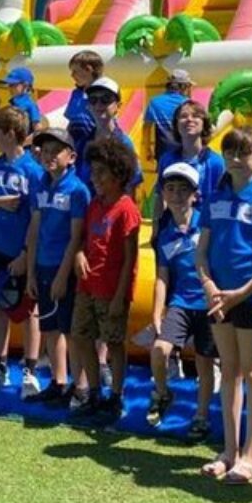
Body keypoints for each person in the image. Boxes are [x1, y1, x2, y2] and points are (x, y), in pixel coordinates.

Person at [196, 126, 252, 483]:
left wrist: (241, 293)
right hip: (220, 298)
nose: (235, 158)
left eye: (243, 152)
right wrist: (209, 286)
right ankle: (230, 451)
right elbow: (201, 252)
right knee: (229, 370)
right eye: (230, 151)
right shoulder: (214, 199)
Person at [0, 106, 43, 397]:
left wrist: (25, 253)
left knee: (28, 311)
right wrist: (0, 202)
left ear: (10, 134)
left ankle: (30, 370)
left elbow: (38, 217)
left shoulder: (33, 170)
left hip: (22, 250)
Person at [72, 137, 141, 420]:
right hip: (87, 286)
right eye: (93, 171)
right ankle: (94, 393)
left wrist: (120, 296)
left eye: (102, 172)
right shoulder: (95, 205)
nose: (95, 178)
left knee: (113, 343)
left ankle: (115, 396)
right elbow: (84, 239)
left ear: (119, 174)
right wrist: (79, 254)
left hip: (111, 290)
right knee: (82, 337)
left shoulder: (126, 209)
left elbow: (130, 259)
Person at [148, 163, 217, 442]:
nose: (176, 195)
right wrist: (157, 313)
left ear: (195, 194)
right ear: (163, 194)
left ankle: (201, 416)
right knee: (159, 349)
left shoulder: (207, 224)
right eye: (171, 189)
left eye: (183, 190)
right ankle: (163, 392)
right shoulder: (165, 234)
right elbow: (162, 277)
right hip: (181, 303)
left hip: (208, 304)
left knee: (204, 363)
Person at [25, 128, 91, 404]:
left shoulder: (77, 190)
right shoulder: (40, 185)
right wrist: (30, 273)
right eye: (45, 151)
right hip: (42, 266)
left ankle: (81, 387)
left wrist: (63, 275)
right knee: (50, 328)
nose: (49, 156)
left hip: (64, 269)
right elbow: (34, 230)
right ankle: (58, 381)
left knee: (70, 330)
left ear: (71, 157)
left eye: (56, 151)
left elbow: (77, 237)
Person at [152, 99, 224, 238]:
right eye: (183, 116)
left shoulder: (215, 162)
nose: (189, 120)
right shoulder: (167, 160)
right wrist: (156, 228)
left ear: (204, 124)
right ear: (176, 124)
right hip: (174, 231)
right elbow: (160, 196)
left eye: (195, 116)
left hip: (206, 231)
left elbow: (222, 200)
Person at [77, 77, 143, 193]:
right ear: (88, 106)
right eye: (93, 100)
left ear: (118, 106)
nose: (99, 104)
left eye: (105, 99)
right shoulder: (83, 142)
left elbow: (132, 184)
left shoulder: (124, 143)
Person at [144, 69, 194, 162]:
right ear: (183, 86)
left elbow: (146, 128)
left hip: (163, 154)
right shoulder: (189, 104)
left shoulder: (154, 102)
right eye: (189, 86)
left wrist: (147, 149)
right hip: (185, 154)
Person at [64, 49, 103, 164]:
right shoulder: (76, 94)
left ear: (88, 69)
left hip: (95, 145)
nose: (72, 75)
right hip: (77, 146)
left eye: (75, 71)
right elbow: (71, 123)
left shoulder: (102, 95)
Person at [0, 67, 43, 136]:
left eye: (13, 85)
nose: (9, 88)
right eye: (9, 85)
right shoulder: (12, 103)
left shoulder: (30, 105)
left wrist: (23, 142)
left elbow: (38, 130)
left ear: (25, 85)